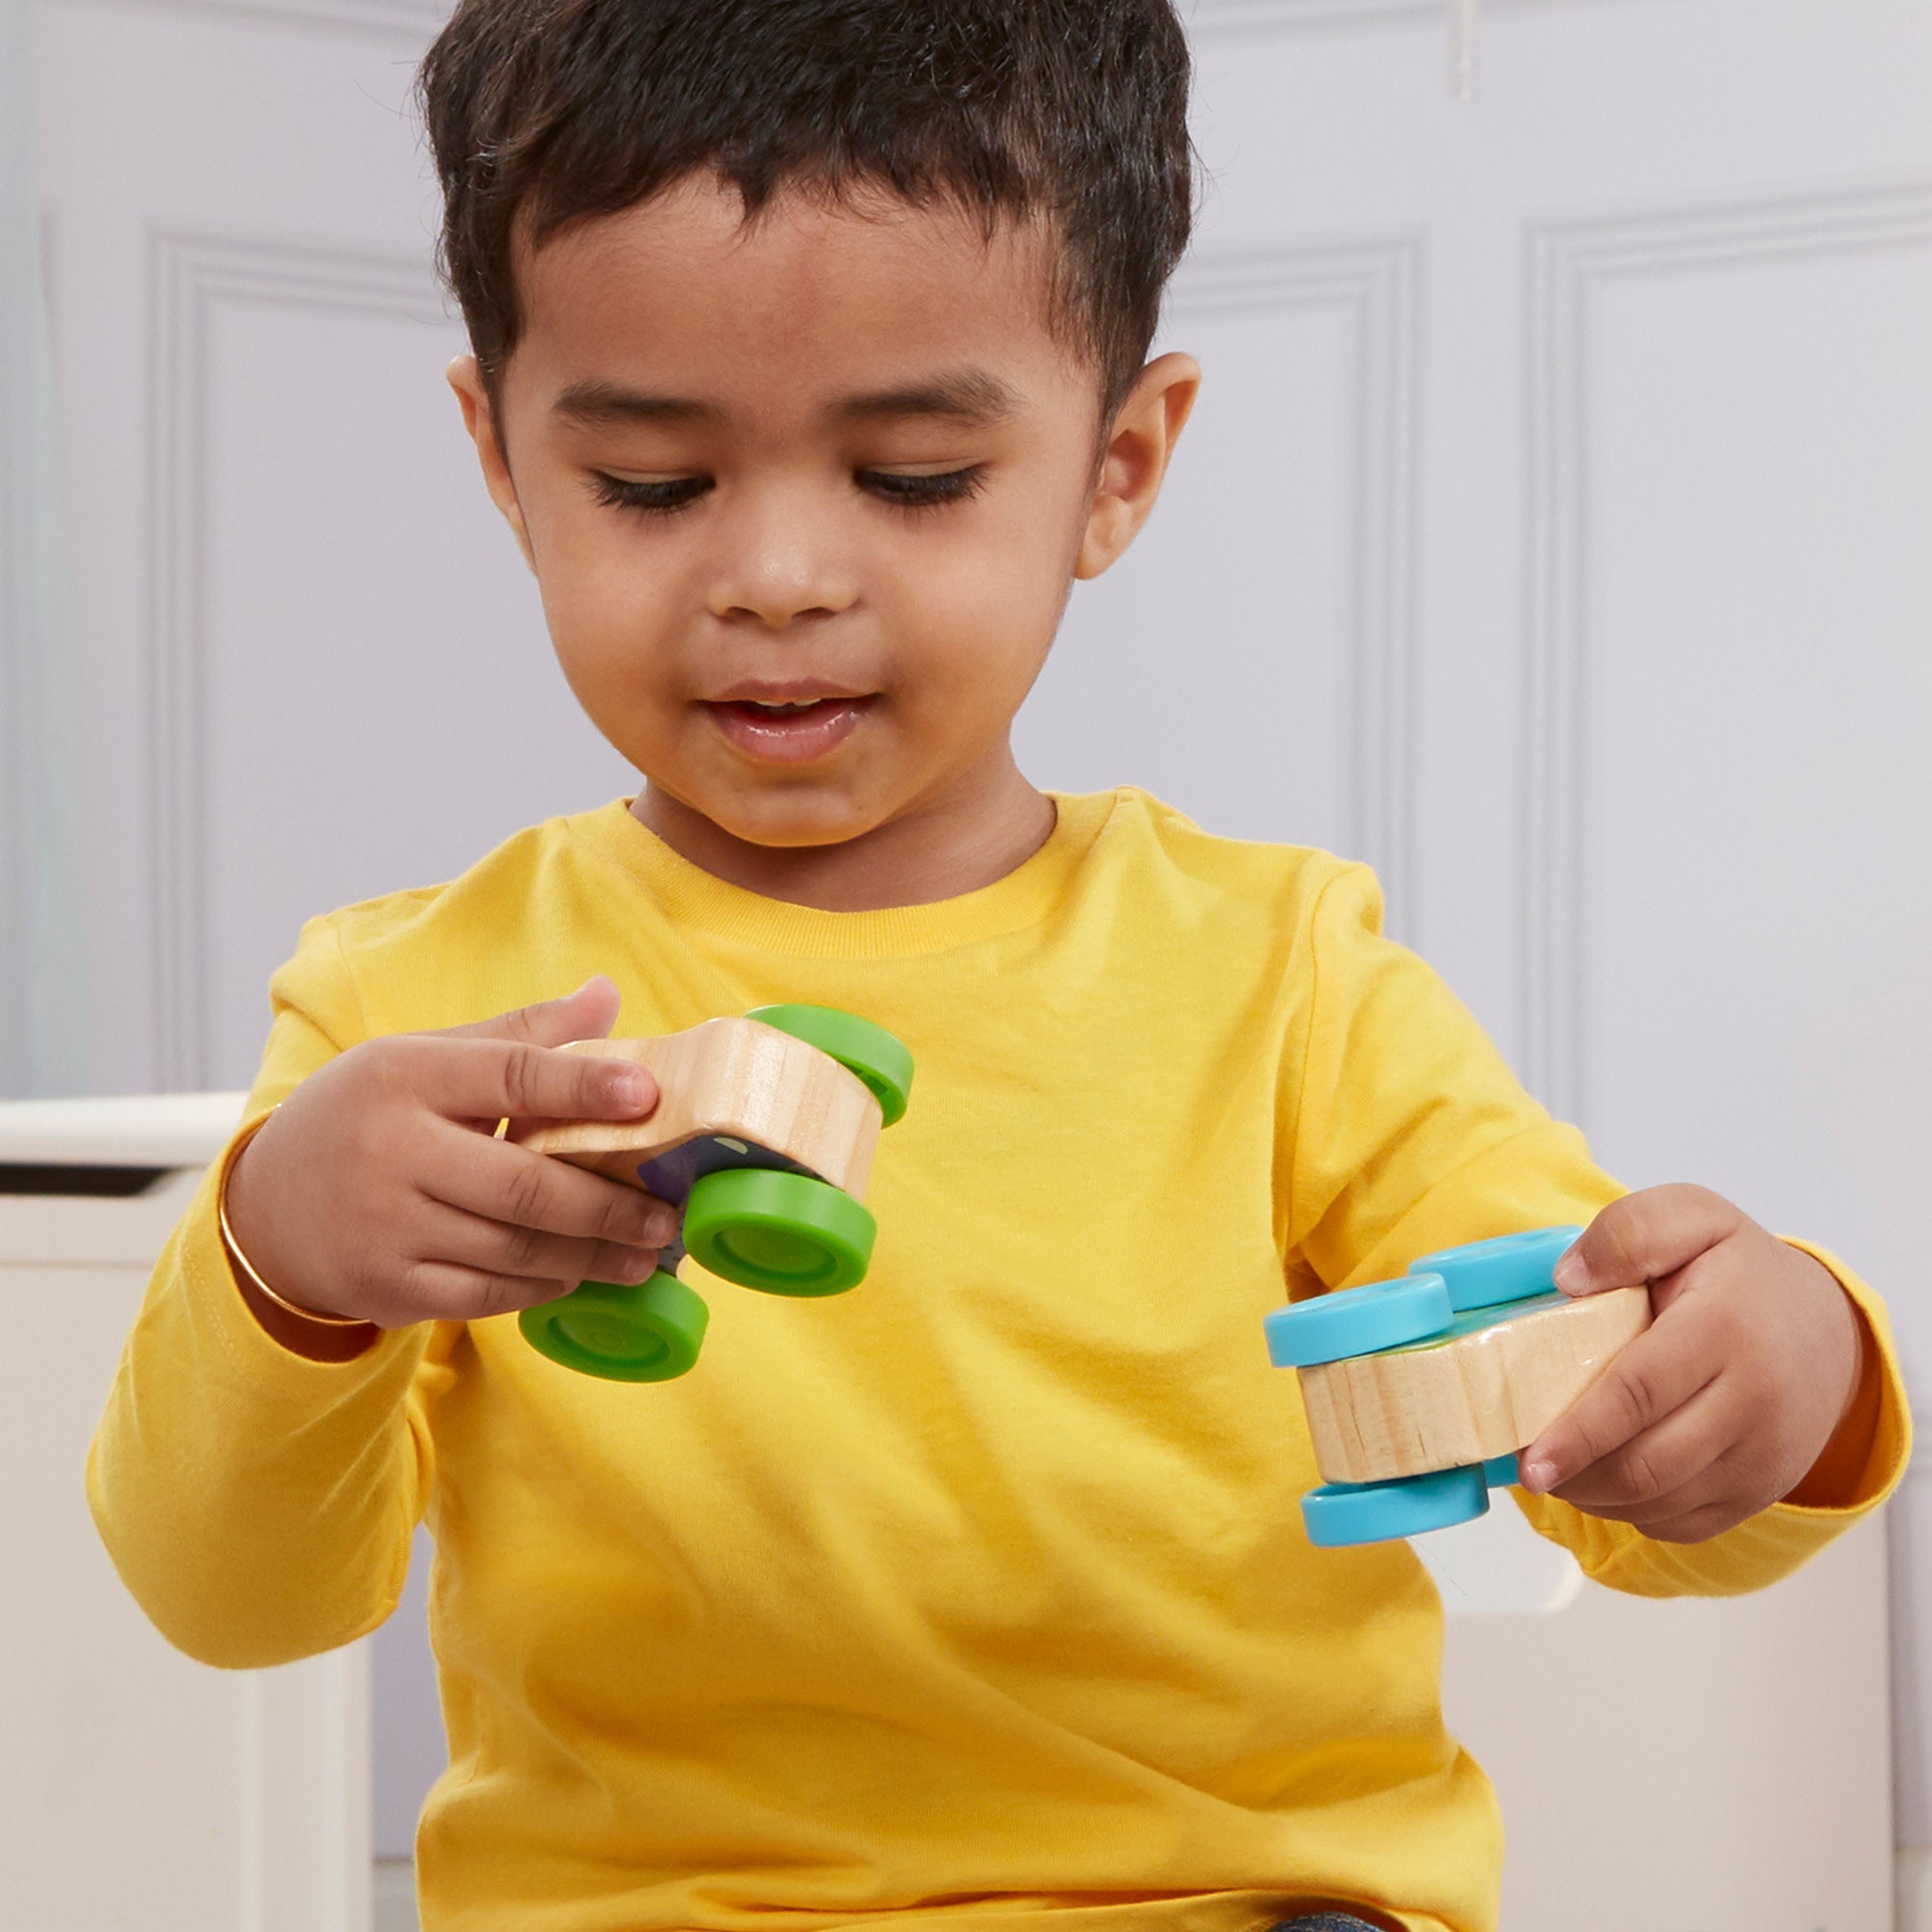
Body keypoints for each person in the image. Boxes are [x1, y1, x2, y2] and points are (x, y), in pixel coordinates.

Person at [86, 4, 1908, 1930]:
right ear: (502, 454)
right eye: (650, 482)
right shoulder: (411, 1002)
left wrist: (1778, 1365)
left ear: (1117, 467)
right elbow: (227, 1595)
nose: (779, 573)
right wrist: (281, 1256)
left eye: (916, 475)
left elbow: (1588, 1409)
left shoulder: (1282, 976)